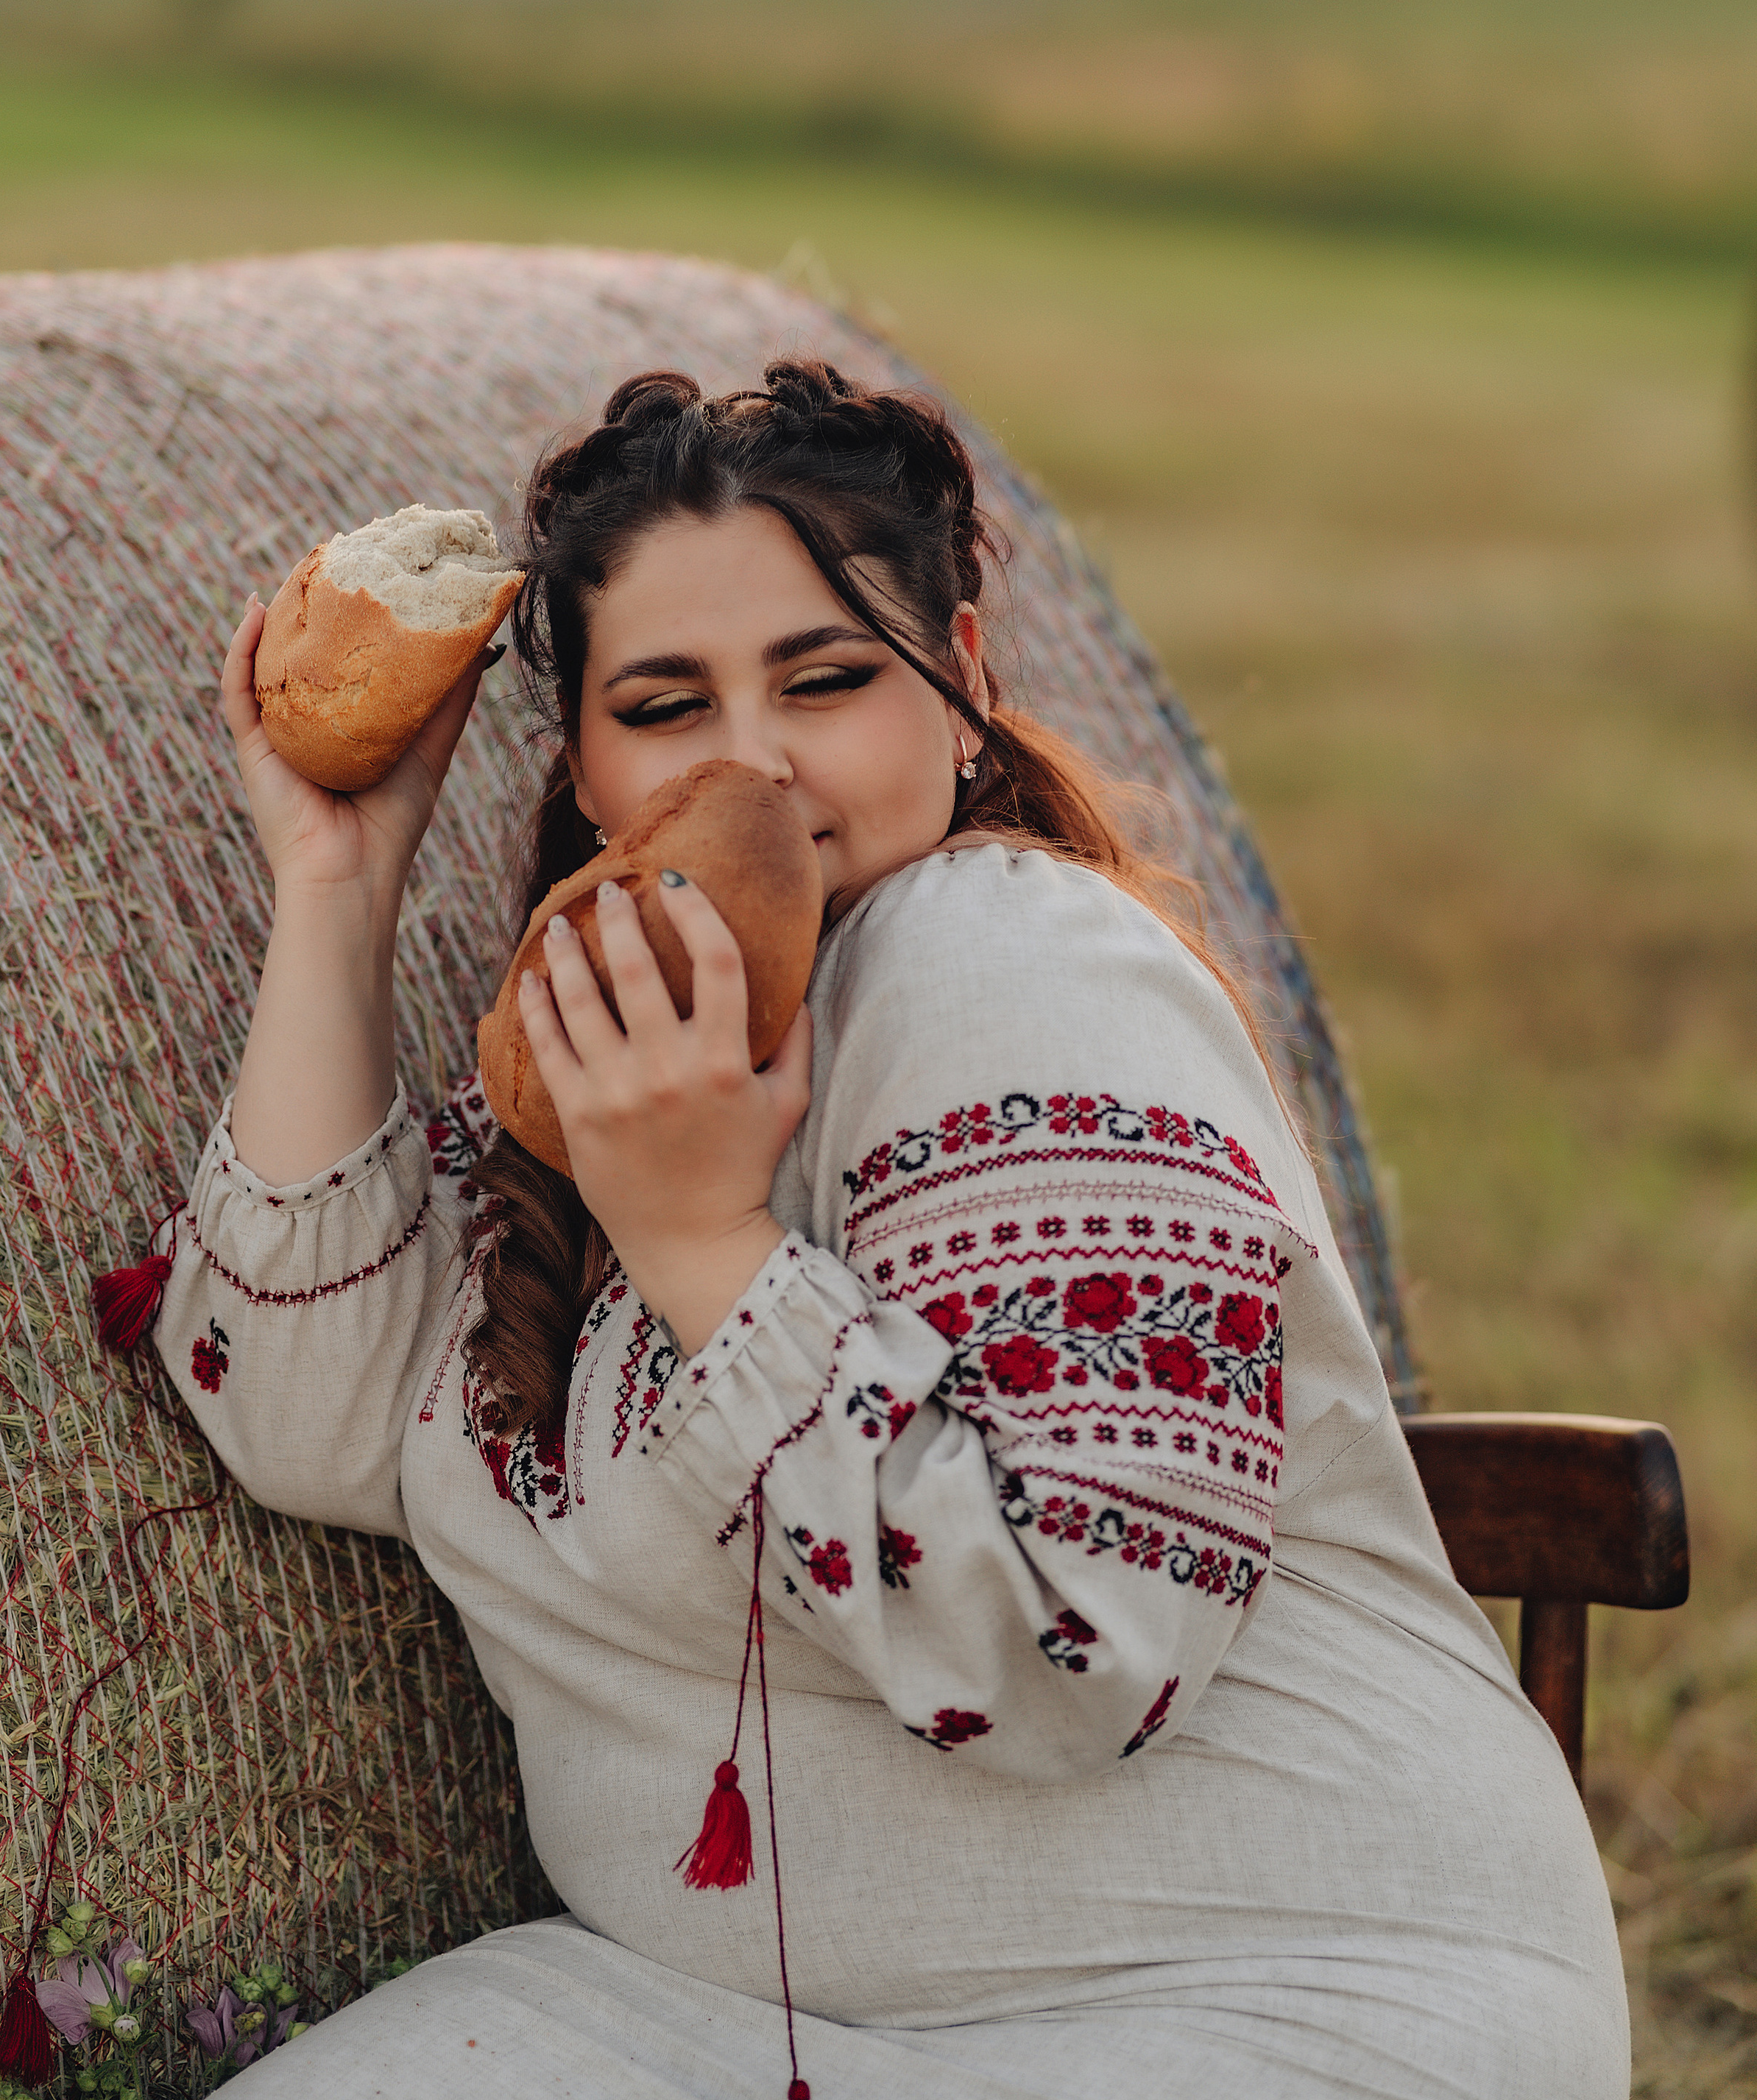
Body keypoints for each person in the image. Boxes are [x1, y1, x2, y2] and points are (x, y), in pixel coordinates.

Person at [154, 360, 1628, 2100]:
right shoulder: (623, 1037)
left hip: (1274, 1993)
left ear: (963, 684)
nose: (752, 757)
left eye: (827, 677)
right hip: (755, 2017)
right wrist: (338, 885)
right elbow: (305, 1408)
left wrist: (705, 1245)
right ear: (579, 756)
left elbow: (1077, 1644)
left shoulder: (1001, 957)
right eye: (662, 700)